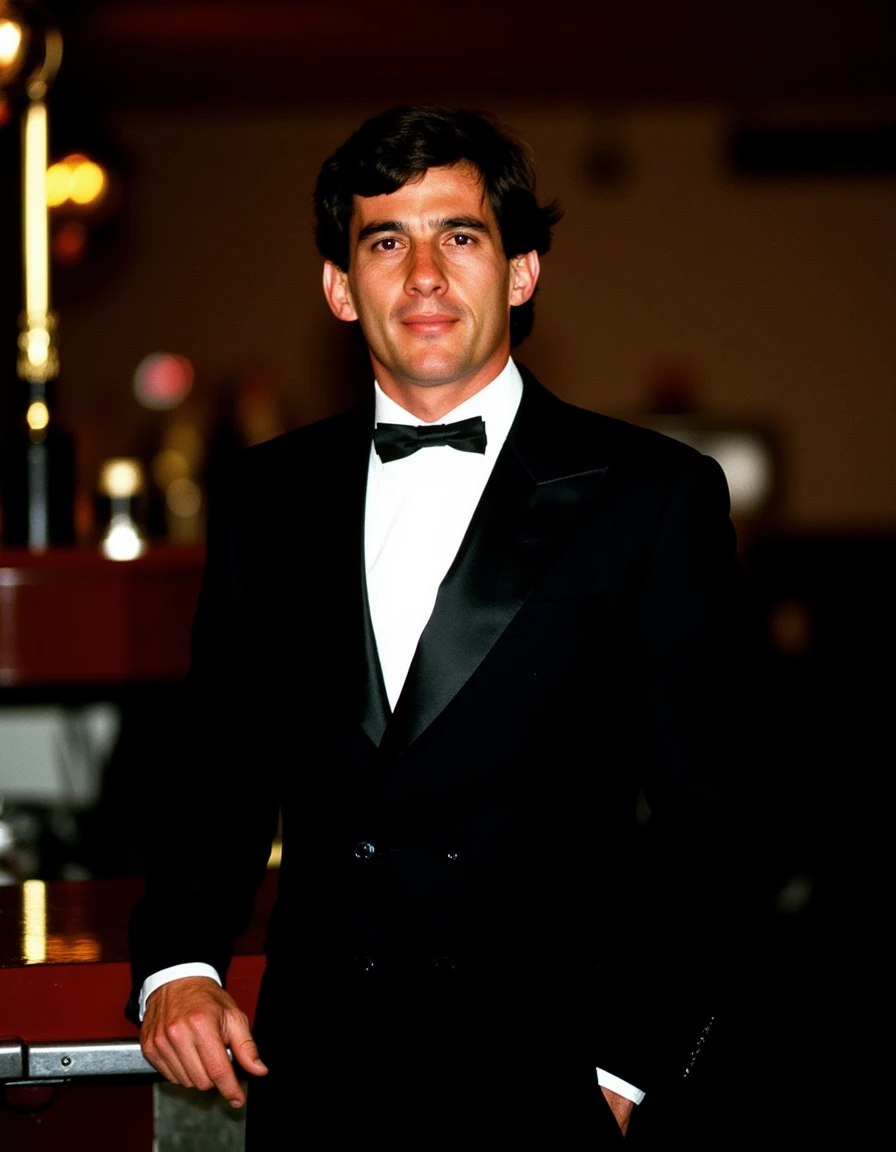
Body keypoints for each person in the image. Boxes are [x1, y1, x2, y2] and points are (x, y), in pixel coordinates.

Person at [129, 105, 740, 1147]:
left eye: (458, 236)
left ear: (520, 273)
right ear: (337, 285)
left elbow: (710, 818)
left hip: (541, 1086)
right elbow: (218, 768)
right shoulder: (267, 497)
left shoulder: (652, 496)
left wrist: (627, 1066)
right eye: (384, 241)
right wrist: (177, 966)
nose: (421, 274)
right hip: (318, 1079)